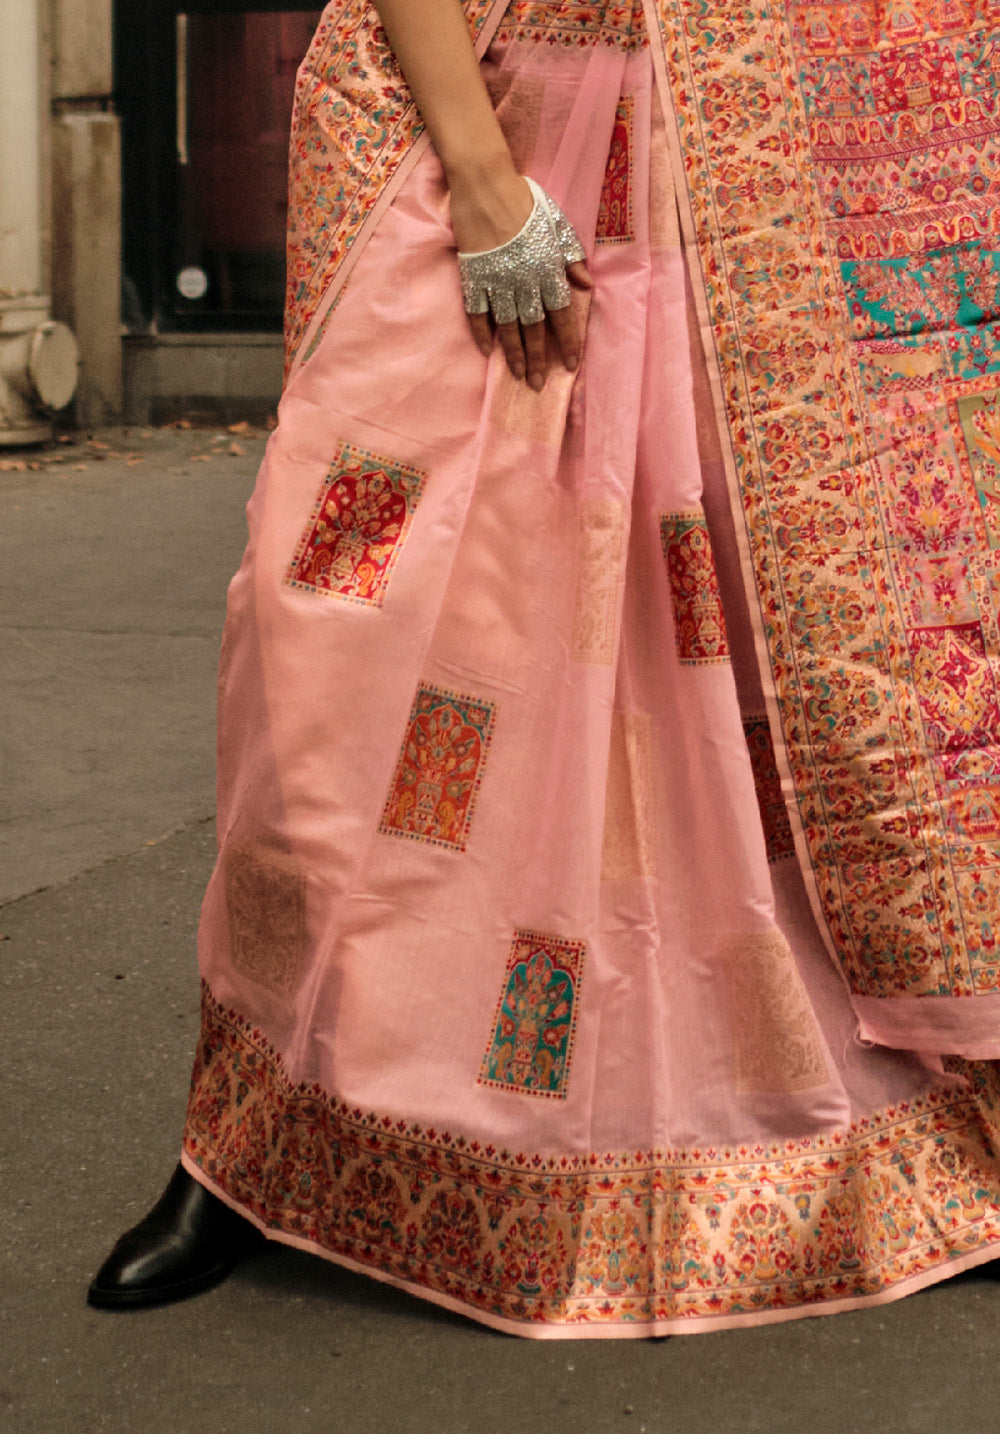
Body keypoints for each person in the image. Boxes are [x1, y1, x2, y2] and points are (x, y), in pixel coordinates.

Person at [89, 0, 1000, 1336]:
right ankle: (254, 1134)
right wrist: (481, 181)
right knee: (336, 639)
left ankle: (894, 1119)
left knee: (769, 658)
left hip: (749, 178)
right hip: (486, 120)